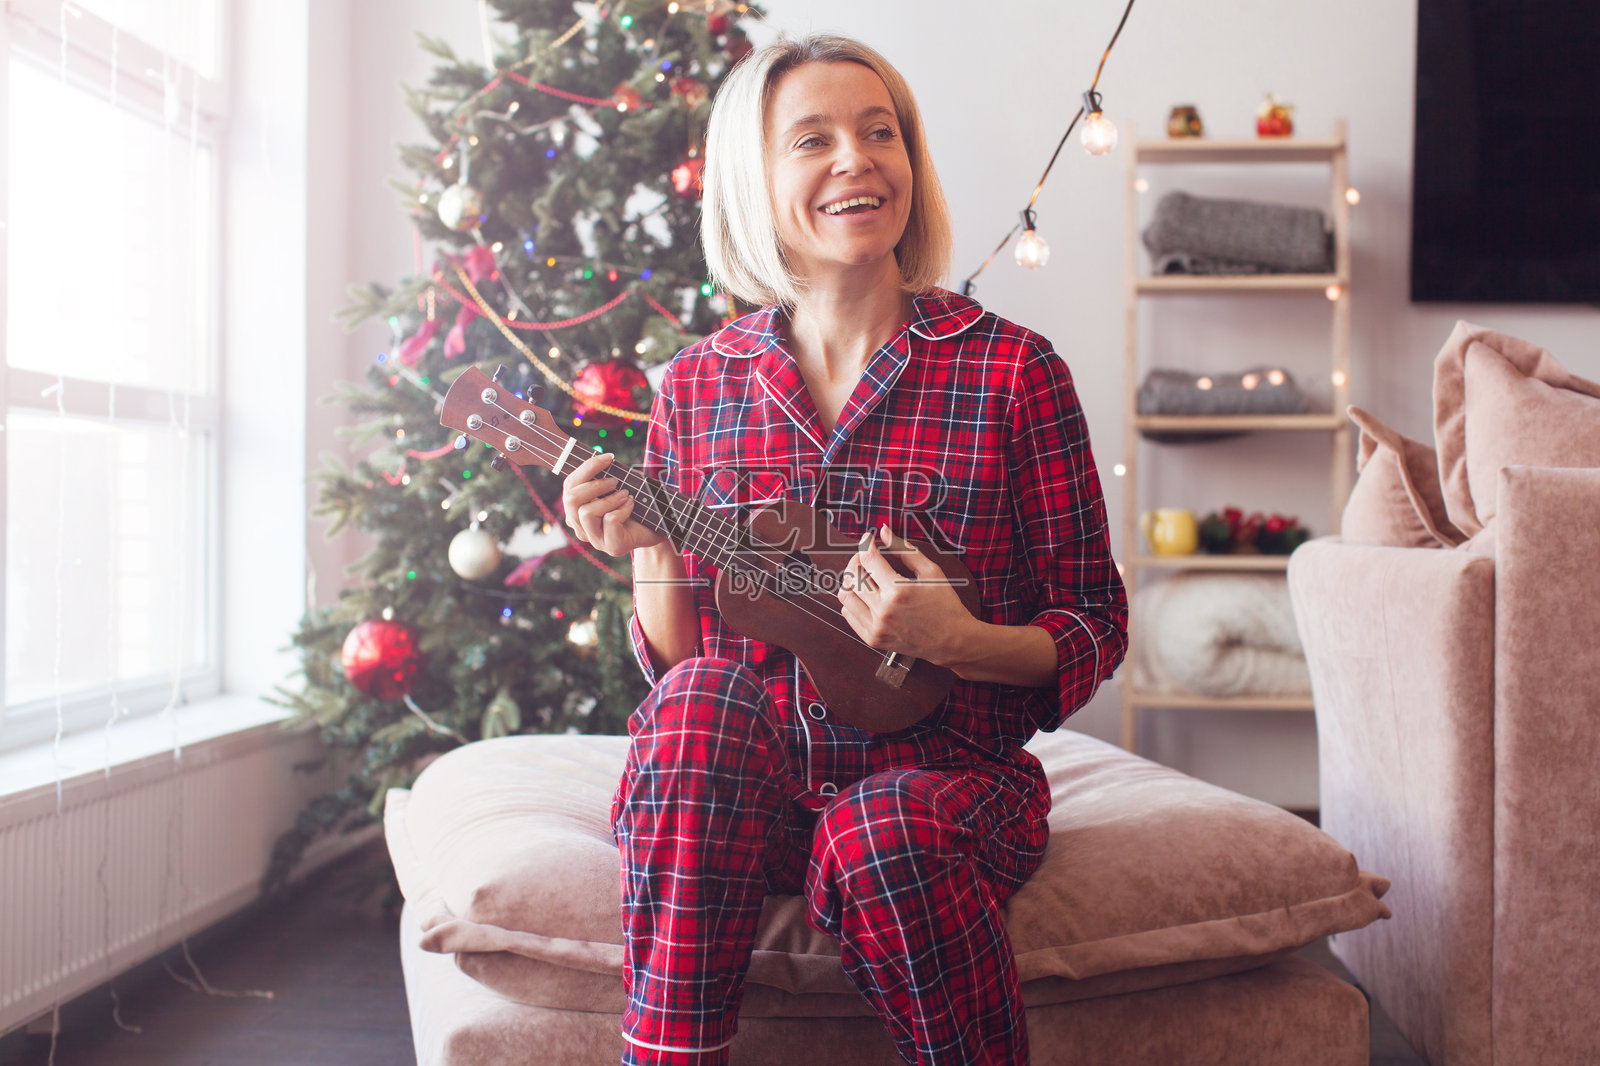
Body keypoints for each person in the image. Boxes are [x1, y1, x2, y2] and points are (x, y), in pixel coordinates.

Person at [561, 33, 1127, 1066]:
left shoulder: (1012, 373)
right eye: (811, 140)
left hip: (945, 788)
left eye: (880, 133)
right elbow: (679, 669)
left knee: (882, 832)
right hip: (753, 793)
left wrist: (962, 639)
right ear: (753, 181)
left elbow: (1094, 622)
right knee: (691, 710)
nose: (856, 160)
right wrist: (647, 550)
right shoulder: (696, 385)